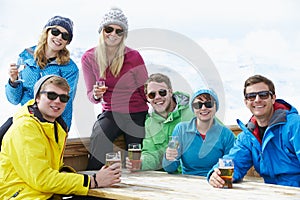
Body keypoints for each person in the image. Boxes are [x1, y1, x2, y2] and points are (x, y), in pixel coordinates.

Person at [0, 75, 121, 199]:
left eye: (63, 98)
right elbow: (42, 179)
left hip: (44, 194)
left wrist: (67, 173)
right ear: (37, 97)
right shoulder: (25, 128)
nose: (57, 101)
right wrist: (93, 181)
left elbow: (49, 170)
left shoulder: (56, 127)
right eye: (51, 95)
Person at [81, 7, 149, 170]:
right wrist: (96, 95)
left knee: (135, 154)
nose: (113, 34)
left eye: (119, 31)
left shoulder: (133, 57)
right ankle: (93, 185)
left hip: (136, 112)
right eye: (109, 29)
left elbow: (145, 89)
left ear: (124, 35)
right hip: (111, 112)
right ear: (101, 30)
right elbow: (90, 94)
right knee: (99, 138)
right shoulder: (89, 58)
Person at [208, 74, 300, 188]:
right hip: (272, 192)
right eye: (251, 96)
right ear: (246, 102)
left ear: (273, 98)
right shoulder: (248, 136)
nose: (257, 100)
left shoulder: (295, 125)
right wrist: (216, 174)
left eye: (263, 95)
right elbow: (234, 162)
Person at [5, 15, 79, 129]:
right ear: (47, 32)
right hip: (25, 117)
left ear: (67, 42)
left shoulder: (69, 68)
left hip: (49, 121)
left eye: (65, 36)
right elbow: (14, 100)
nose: (59, 37)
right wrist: (13, 81)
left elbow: (65, 102)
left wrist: (62, 129)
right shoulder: (26, 56)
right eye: (55, 32)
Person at [126, 73, 194, 171]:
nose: (157, 97)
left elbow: (220, 135)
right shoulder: (149, 123)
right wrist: (140, 163)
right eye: (152, 94)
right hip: (168, 179)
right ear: (148, 98)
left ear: (170, 92)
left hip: (194, 174)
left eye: (162, 92)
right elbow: (151, 154)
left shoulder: (193, 111)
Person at [162, 88, 235, 176]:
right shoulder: (180, 130)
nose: (203, 108)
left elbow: (230, 165)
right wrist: (168, 157)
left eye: (209, 104)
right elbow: (170, 168)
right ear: (192, 108)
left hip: (216, 181)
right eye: (198, 105)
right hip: (188, 182)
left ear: (216, 107)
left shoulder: (227, 135)